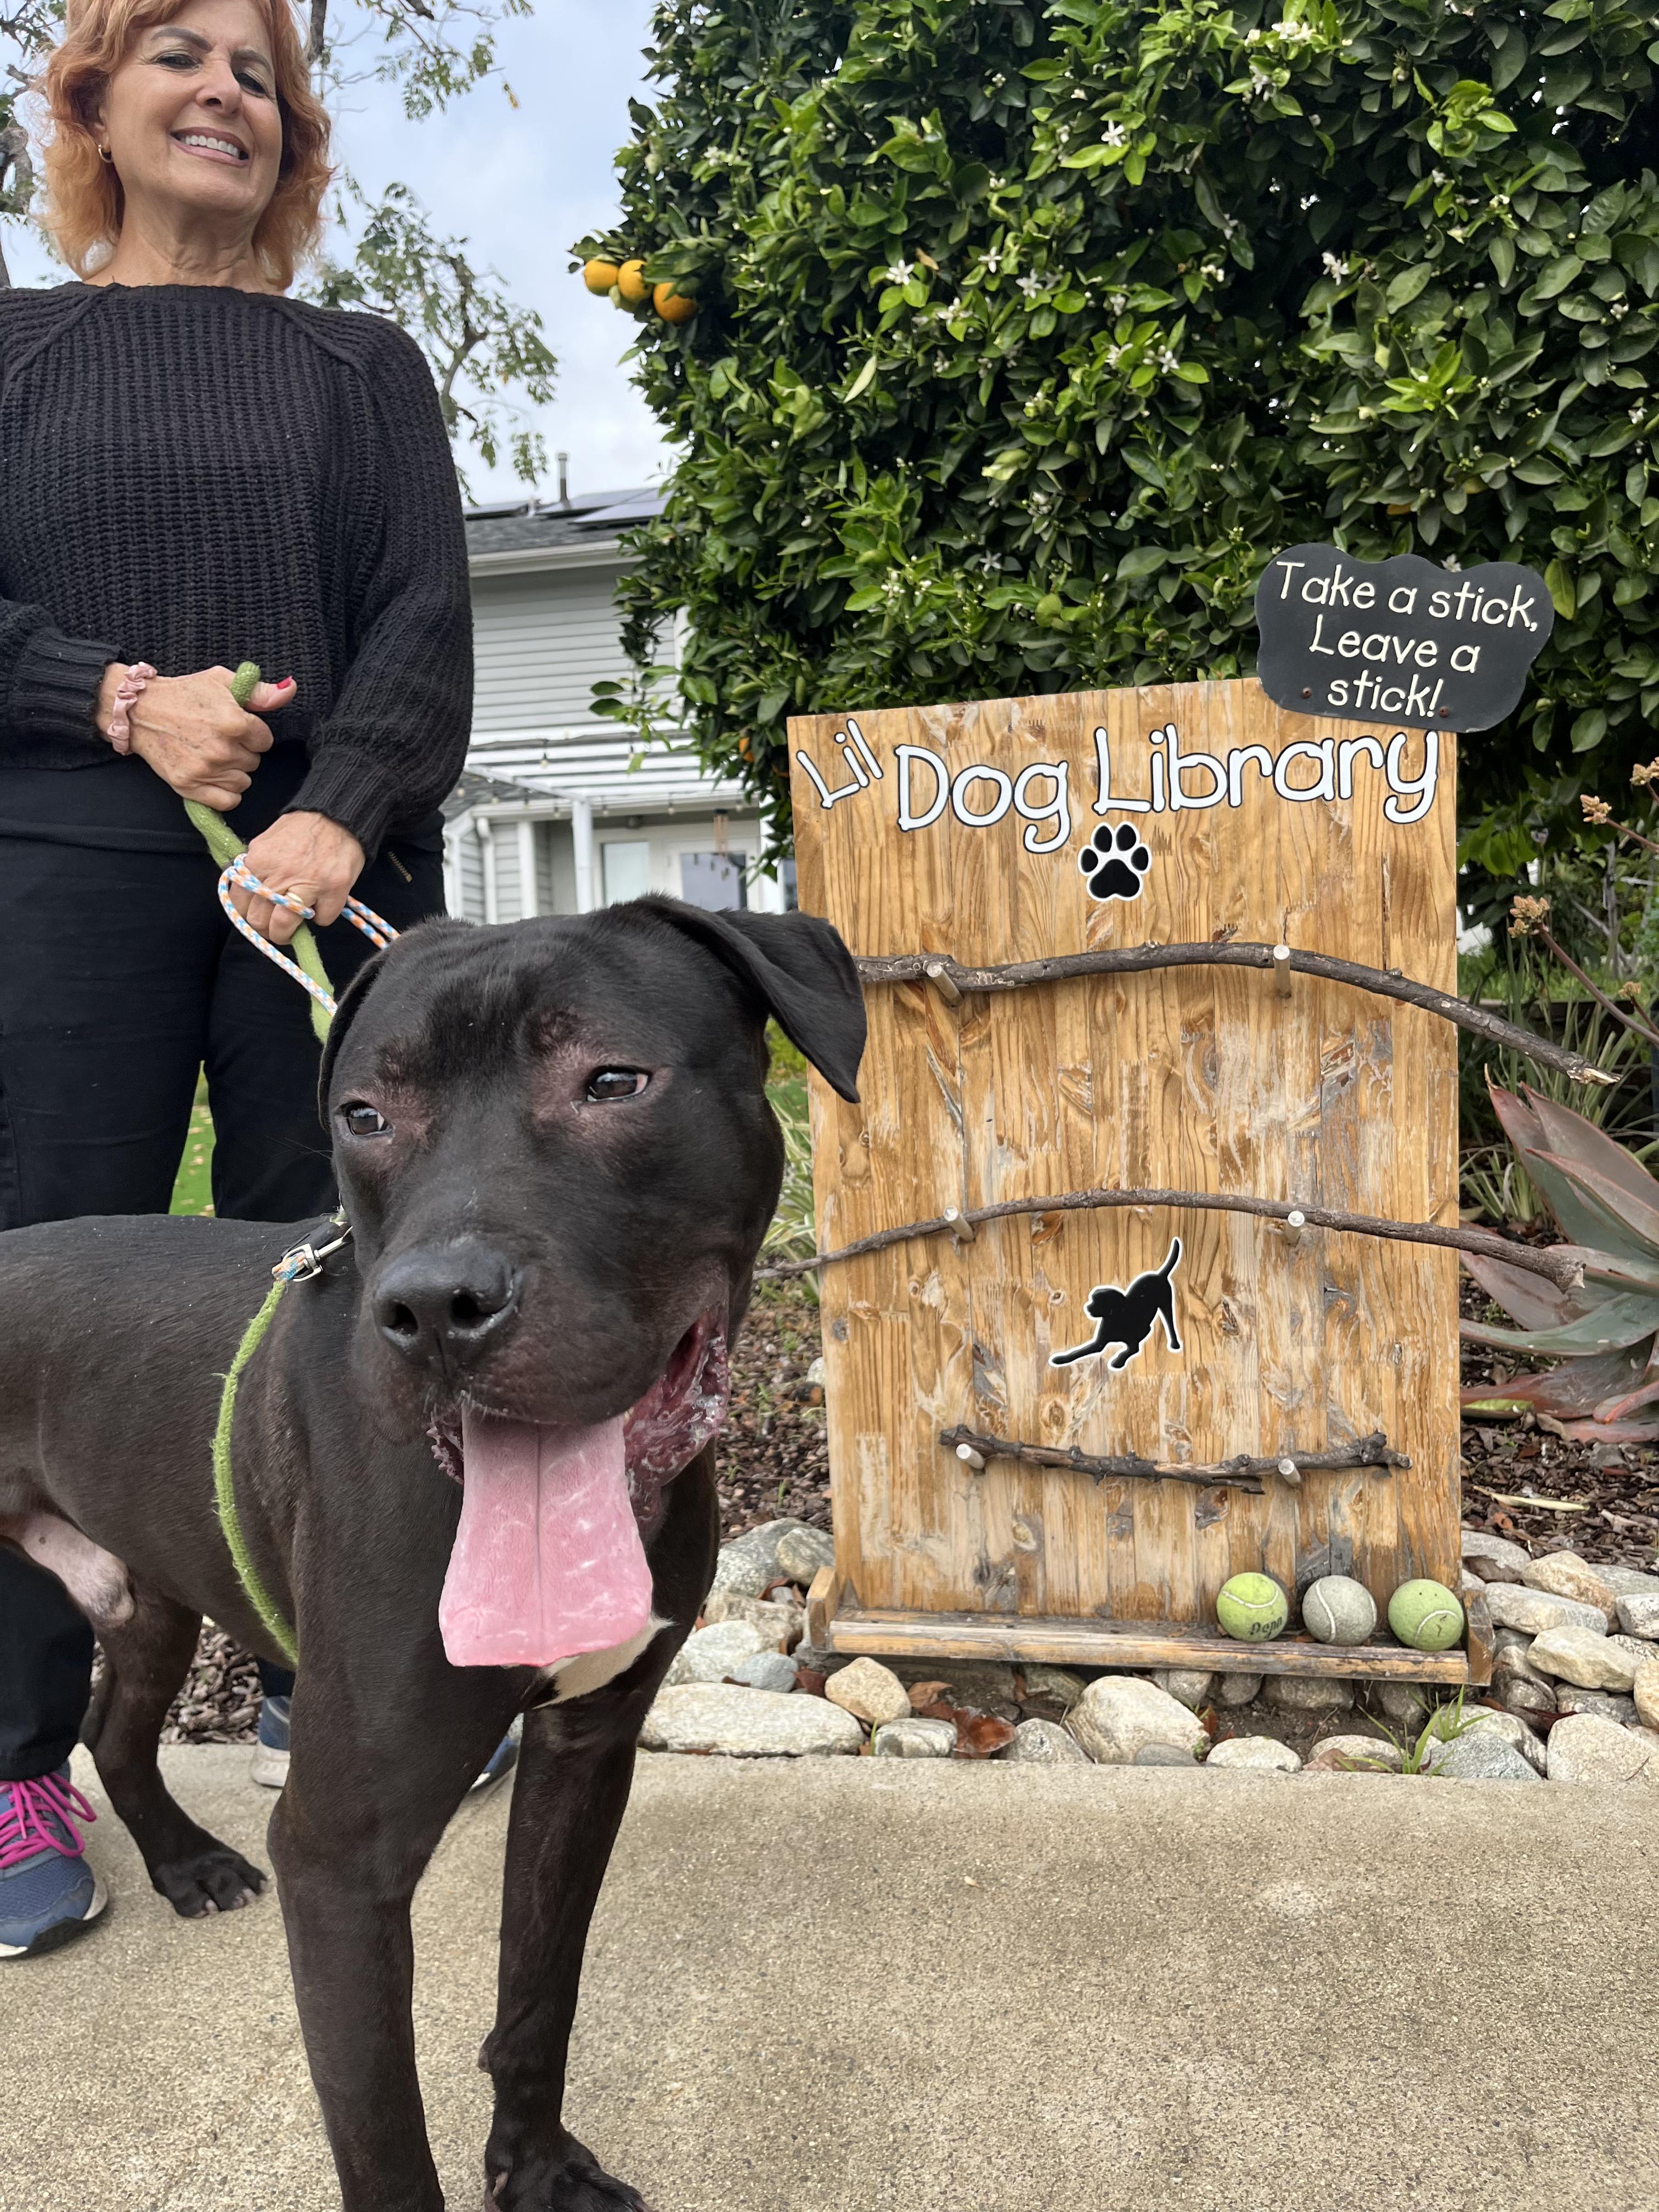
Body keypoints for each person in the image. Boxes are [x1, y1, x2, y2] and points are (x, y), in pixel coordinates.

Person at [0, 0, 482, 1960]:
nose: (226, 91)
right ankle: (17, 1752)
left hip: (333, 879)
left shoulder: (360, 366)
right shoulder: (11, 352)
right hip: (61, 866)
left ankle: (332, 1670)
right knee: (33, 1292)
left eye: (261, 72)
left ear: (292, 137)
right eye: (179, 52)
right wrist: (111, 698)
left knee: (345, 1271)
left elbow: (425, 620)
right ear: (92, 101)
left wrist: (338, 811)